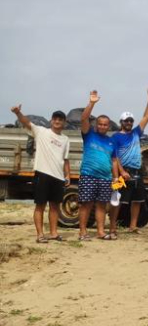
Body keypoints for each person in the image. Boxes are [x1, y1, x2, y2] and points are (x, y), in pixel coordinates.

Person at [11, 105, 70, 243]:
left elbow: (65, 159)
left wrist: (67, 175)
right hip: (43, 174)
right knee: (40, 206)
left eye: (60, 119)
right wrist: (18, 113)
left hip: (58, 177)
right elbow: (27, 123)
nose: (57, 121)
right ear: (51, 121)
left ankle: (54, 233)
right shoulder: (41, 131)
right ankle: (40, 235)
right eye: (55, 119)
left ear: (64, 122)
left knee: (55, 207)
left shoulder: (66, 139)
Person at [108, 89, 148, 236]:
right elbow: (115, 157)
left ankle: (133, 226)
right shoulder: (115, 137)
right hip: (124, 172)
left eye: (131, 121)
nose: (129, 123)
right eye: (126, 121)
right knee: (117, 200)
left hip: (137, 171)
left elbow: (147, 116)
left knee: (137, 200)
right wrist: (121, 172)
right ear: (121, 122)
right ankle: (112, 227)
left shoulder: (135, 133)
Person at [78, 90, 116, 241]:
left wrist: (115, 177)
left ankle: (100, 232)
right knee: (86, 204)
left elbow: (114, 161)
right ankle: (82, 232)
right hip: (89, 175)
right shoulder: (88, 134)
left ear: (108, 126)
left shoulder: (111, 142)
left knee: (101, 205)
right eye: (100, 124)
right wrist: (92, 103)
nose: (102, 126)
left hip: (105, 178)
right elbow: (83, 118)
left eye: (105, 125)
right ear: (96, 125)